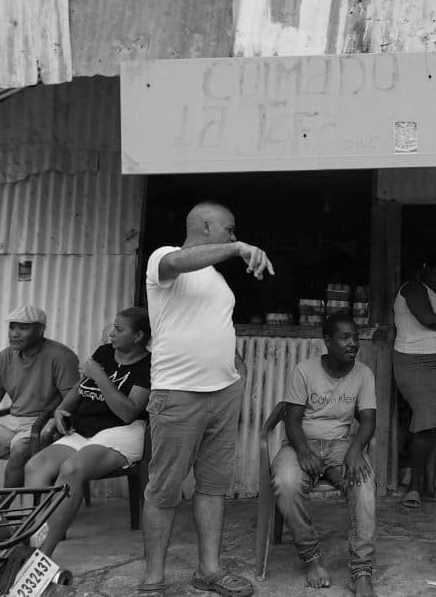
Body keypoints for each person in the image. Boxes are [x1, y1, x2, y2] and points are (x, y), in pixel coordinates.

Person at [139, 202, 273, 597]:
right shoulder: (164, 258)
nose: (233, 237)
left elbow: (215, 327)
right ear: (207, 225)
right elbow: (181, 262)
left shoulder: (216, 279)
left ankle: (209, 571)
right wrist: (237, 249)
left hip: (222, 395)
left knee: (213, 487)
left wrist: (237, 371)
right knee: (164, 489)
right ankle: (153, 580)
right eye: (230, 230)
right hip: (178, 394)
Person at [23, 307, 153, 555]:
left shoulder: (148, 365)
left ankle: (42, 555)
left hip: (120, 432)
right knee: (35, 466)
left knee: (72, 469)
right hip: (84, 430)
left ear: (138, 336)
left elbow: (128, 412)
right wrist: (60, 409)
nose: (111, 334)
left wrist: (101, 376)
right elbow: (82, 387)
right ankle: (34, 538)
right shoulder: (105, 353)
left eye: (119, 329)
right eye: (112, 328)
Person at [271, 313, 377, 597]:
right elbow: (291, 419)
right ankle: (311, 559)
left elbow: (368, 420)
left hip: (341, 444)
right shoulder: (304, 370)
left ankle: (362, 571)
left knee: (363, 483)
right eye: (344, 338)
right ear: (327, 341)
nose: (352, 343)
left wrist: (356, 450)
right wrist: (304, 451)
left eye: (355, 338)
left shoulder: (364, 374)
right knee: (286, 483)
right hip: (301, 442)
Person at [0, 306, 78, 498]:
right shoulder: (5, 356)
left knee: (20, 449)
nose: (14, 334)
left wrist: (53, 420)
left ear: (40, 330)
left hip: (44, 422)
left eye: (23, 328)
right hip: (14, 420)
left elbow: (71, 398)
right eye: (12, 328)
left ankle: (3, 508)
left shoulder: (61, 356)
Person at [392, 259, 436, 509]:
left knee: (434, 425)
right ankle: (415, 486)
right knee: (426, 421)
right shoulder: (412, 288)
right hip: (414, 365)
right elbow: (427, 319)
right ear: (424, 268)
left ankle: (429, 485)